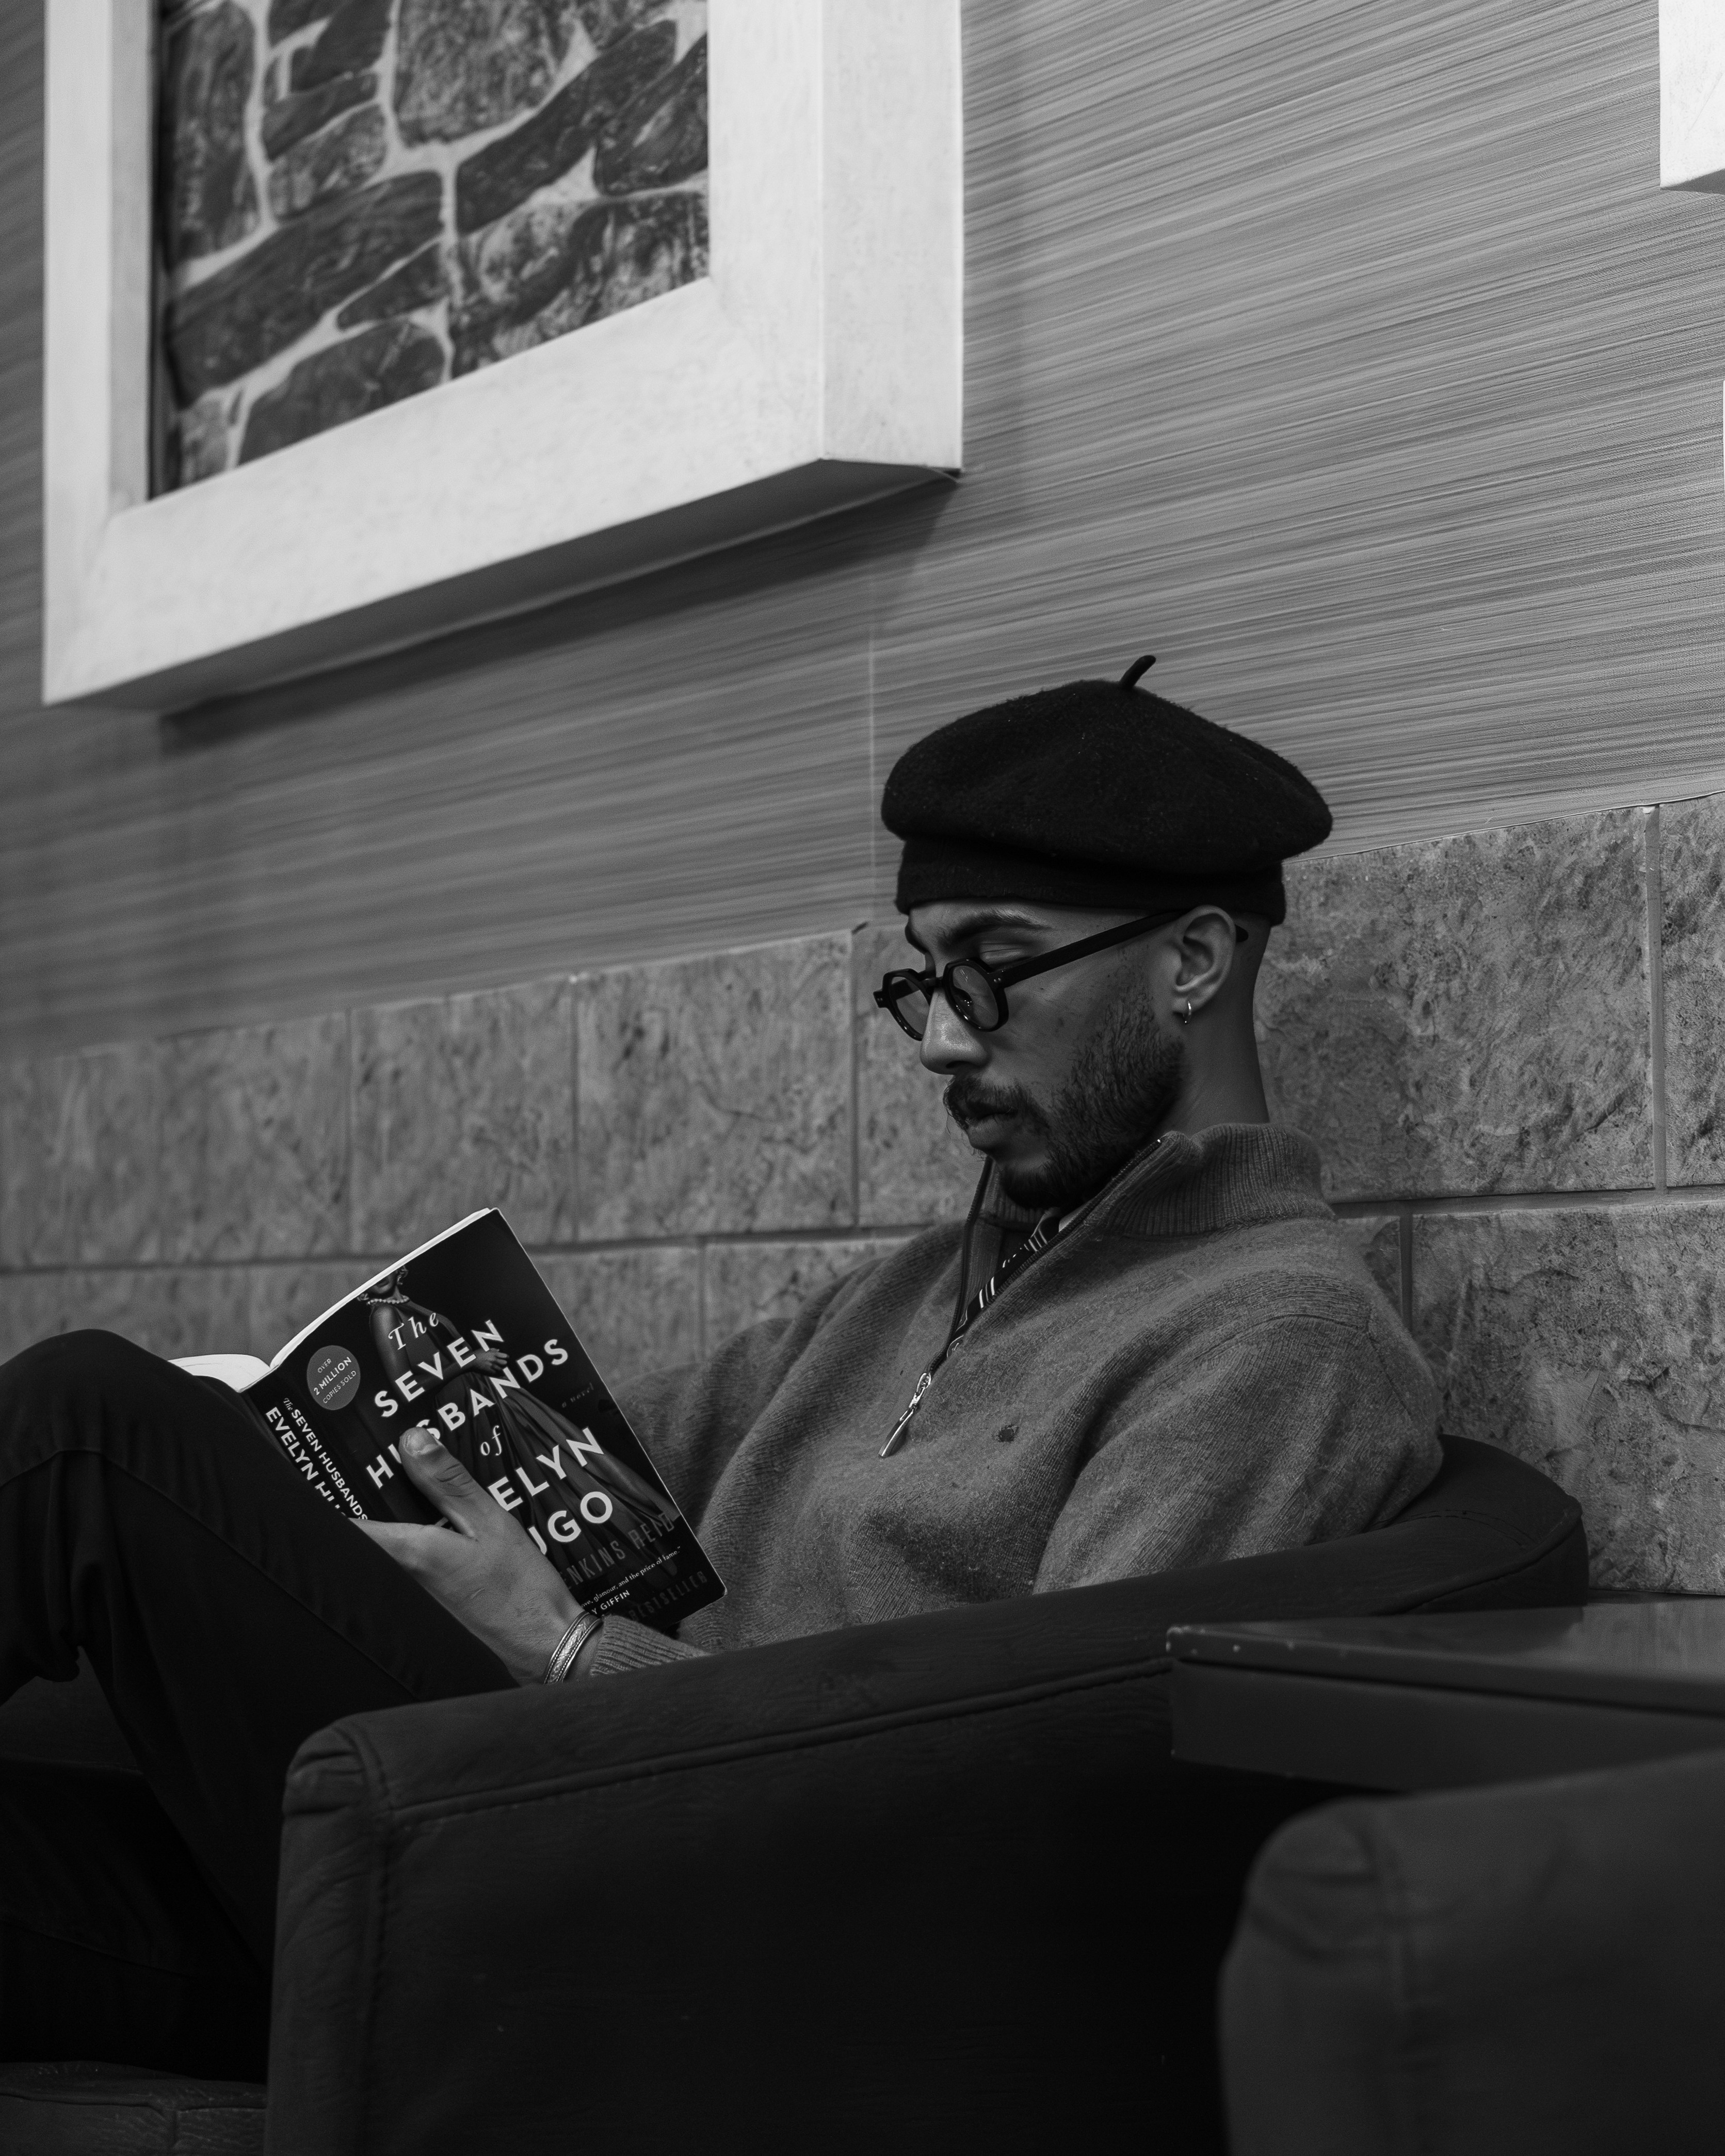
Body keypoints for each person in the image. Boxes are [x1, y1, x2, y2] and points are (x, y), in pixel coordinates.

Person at [0, 656, 1440, 2076]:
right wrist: (293, 1449)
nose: (943, 1041)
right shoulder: (912, 1293)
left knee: (85, 1427)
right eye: (926, 979)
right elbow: (619, 1453)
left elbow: (1027, 1789)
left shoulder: (1273, 1340)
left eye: (995, 973)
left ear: (1191, 959)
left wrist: (566, 1649)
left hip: (710, 1939)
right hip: (538, 1829)